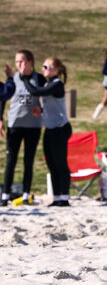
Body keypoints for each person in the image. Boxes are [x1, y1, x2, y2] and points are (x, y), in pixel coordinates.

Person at [21, 57, 72, 207]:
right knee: (51, 163)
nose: (43, 69)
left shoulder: (57, 84)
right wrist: (41, 110)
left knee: (60, 163)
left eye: (46, 67)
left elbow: (36, 91)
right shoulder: (49, 83)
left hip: (60, 128)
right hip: (50, 128)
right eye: (43, 66)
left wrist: (24, 78)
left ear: (56, 70)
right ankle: (56, 197)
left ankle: (64, 197)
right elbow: (52, 104)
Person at [1, 50, 45, 206]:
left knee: (28, 161)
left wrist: (41, 110)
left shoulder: (39, 78)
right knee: (10, 161)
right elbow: (3, 99)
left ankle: (26, 195)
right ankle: (5, 196)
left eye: (22, 61)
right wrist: (0, 119)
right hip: (15, 125)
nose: (19, 64)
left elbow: (49, 100)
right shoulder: (13, 80)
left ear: (31, 62)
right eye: (17, 62)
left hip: (33, 126)